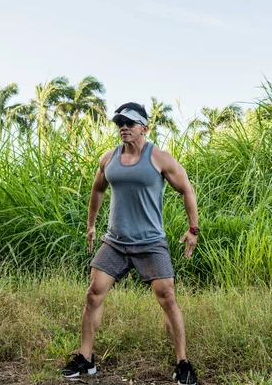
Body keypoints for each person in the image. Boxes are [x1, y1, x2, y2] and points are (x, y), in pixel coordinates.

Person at [62, 102, 199, 385]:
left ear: (144, 128)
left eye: (129, 123)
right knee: (93, 294)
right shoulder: (108, 158)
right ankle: (85, 360)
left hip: (150, 243)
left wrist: (193, 229)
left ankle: (182, 362)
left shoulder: (159, 158)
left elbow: (186, 188)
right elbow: (97, 189)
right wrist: (90, 224)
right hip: (115, 242)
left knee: (167, 298)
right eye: (119, 123)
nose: (123, 127)